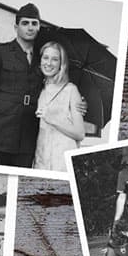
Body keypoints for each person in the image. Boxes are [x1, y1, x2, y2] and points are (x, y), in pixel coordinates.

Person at [0, 3, 43, 167]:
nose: (30, 27)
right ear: (16, 27)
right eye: (25, 23)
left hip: (27, 143)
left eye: (34, 23)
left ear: (39, 27)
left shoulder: (44, 59)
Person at [32, 41, 85, 172]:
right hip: (41, 160)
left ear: (61, 64)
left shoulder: (71, 90)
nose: (49, 63)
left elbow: (80, 133)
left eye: (55, 59)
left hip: (62, 161)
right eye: (45, 58)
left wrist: (52, 119)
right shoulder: (38, 89)